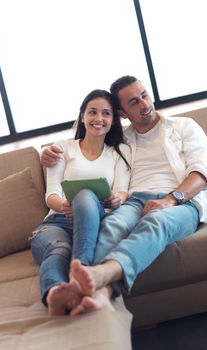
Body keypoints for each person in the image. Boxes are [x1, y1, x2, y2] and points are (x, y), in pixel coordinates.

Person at [41, 76, 207, 316]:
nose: (144, 104)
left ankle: (100, 278)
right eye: (134, 102)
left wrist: (170, 199)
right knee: (112, 224)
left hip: (182, 201)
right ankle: (99, 294)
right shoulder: (121, 142)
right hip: (135, 201)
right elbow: (88, 143)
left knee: (157, 221)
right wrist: (48, 152)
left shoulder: (184, 126)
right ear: (123, 114)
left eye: (144, 95)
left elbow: (202, 173)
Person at [31, 89, 131, 315]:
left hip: (93, 220)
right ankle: (55, 293)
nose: (99, 119)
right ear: (83, 116)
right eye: (92, 112)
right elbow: (52, 195)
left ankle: (81, 273)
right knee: (59, 250)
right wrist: (64, 206)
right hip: (57, 222)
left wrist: (117, 198)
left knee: (85, 196)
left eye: (106, 113)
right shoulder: (63, 148)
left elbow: (122, 192)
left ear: (113, 120)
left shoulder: (119, 152)